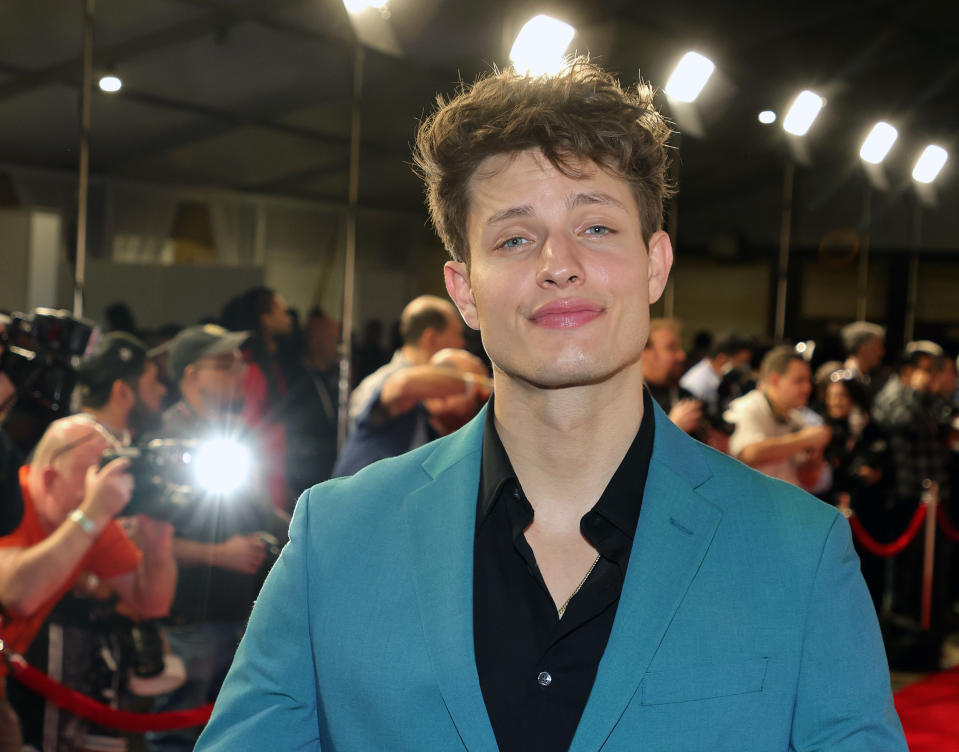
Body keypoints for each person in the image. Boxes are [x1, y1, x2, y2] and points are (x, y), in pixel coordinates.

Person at [196, 60, 905, 751]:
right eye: (512, 237)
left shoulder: (797, 553)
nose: (557, 262)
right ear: (464, 290)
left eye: (595, 227)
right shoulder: (336, 538)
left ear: (654, 263)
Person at [144, 324, 288, 752]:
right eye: (224, 365)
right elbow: (143, 543)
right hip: (189, 618)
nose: (238, 373)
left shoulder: (234, 435)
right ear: (191, 375)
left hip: (240, 612)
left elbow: (264, 511)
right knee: (175, 732)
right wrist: (219, 554)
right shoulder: (162, 445)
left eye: (238, 363)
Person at [0, 415, 176, 748]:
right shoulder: (10, 498)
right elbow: (17, 594)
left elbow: (150, 603)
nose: (107, 485)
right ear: (51, 478)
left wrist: (158, 544)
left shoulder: (90, 519)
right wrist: (93, 513)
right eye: (97, 472)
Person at [332, 347, 492, 477]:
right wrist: (480, 384)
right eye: (477, 398)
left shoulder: (458, 441)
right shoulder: (403, 410)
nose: (477, 405)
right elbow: (403, 384)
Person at [725, 345, 833, 493]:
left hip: (784, 507)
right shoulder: (747, 407)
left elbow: (809, 481)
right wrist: (804, 440)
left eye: (808, 381)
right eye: (799, 381)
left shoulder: (798, 419)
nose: (807, 388)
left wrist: (815, 457)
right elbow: (750, 453)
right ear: (775, 380)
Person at [347, 294, 466, 428]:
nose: (462, 343)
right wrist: (479, 386)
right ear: (430, 338)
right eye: (458, 334)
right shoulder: (377, 385)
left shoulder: (436, 394)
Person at [75, 331, 168, 443]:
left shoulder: (106, 442)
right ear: (122, 392)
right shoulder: (83, 444)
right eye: (154, 381)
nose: (163, 390)